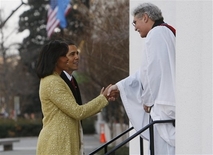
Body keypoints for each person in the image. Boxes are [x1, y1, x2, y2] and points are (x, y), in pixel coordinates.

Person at [107, 3, 175, 155]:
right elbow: (146, 72)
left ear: (145, 18)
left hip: (163, 108)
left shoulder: (156, 34)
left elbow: (153, 73)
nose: (135, 27)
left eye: (135, 22)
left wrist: (147, 100)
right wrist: (119, 86)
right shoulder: (165, 32)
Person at [36, 40, 112, 155]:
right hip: (57, 145)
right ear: (54, 58)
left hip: (62, 143)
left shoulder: (56, 80)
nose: (67, 59)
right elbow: (77, 112)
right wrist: (103, 98)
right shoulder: (52, 82)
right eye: (64, 55)